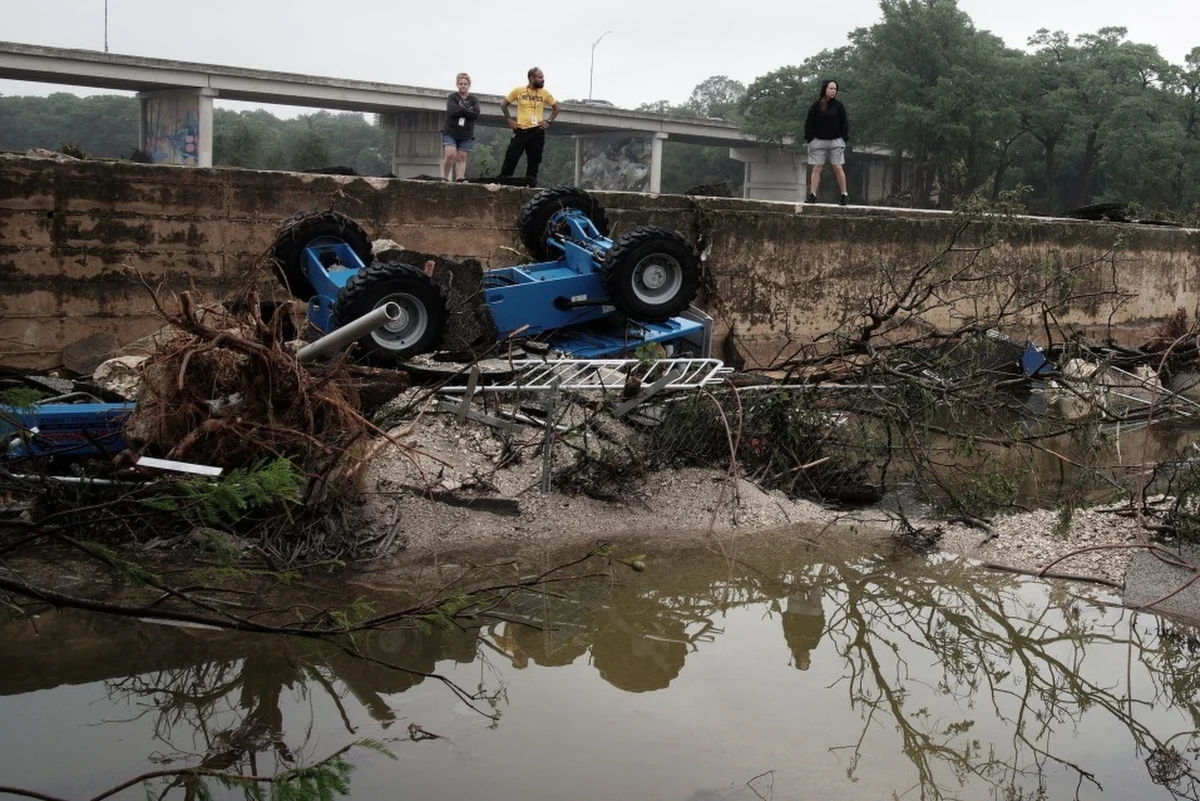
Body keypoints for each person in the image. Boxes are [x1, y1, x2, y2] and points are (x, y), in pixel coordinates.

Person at [498, 66, 560, 186]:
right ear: (532, 78)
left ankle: (530, 184)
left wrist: (549, 121)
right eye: (540, 77)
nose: (543, 80)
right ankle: (503, 181)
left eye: (543, 77)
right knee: (512, 157)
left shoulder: (544, 93)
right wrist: (509, 119)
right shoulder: (519, 90)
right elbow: (503, 105)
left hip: (537, 130)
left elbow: (557, 108)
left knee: (534, 160)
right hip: (521, 129)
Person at [803, 78, 850, 205]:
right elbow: (809, 123)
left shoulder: (839, 106)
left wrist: (843, 138)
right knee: (817, 167)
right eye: (831, 88)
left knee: (838, 167)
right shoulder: (816, 105)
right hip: (818, 141)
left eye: (835, 89)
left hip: (836, 141)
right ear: (825, 89)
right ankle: (812, 195)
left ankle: (844, 194)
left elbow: (844, 123)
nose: (833, 91)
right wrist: (810, 139)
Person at [441, 72, 480, 181]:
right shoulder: (452, 97)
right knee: (450, 154)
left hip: (466, 133)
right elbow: (452, 112)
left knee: (462, 157)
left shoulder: (474, 99)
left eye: (465, 84)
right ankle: (445, 178)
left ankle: (460, 178)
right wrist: (467, 110)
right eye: (461, 83)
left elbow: (476, 114)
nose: (463, 86)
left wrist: (461, 109)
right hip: (451, 131)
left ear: (469, 85)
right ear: (457, 84)